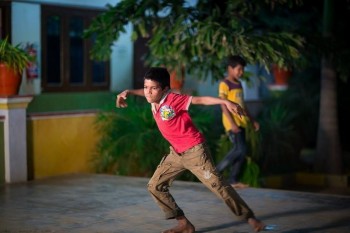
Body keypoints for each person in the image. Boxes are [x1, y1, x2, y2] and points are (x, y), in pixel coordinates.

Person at [116, 67, 265, 233]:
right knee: (154, 186)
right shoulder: (152, 98)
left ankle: (251, 218)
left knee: (219, 186)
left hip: (195, 152)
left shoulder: (173, 99)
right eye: (145, 87)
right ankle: (184, 224)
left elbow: (200, 100)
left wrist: (225, 101)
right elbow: (145, 92)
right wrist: (127, 91)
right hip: (176, 154)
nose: (148, 92)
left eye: (153, 88)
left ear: (165, 89)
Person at [216, 55, 260, 189]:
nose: (241, 72)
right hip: (232, 123)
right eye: (239, 69)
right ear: (230, 68)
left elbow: (242, 104)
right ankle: (216, 171)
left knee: (241, 150)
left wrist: (252, 120)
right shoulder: (225, 84)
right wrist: (232, 123)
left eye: (242, 70)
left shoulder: (239, 84)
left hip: (242, 122)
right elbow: (223, 104)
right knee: (240, 149)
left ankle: (233, 180)